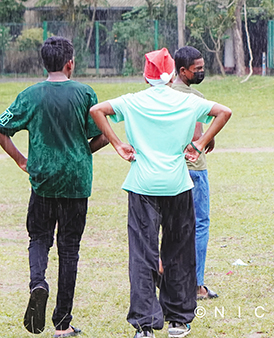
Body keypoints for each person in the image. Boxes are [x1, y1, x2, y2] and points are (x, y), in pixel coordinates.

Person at [88, 48, 232, 338]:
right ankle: (178, 320)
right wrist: (200, 143)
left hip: (142, 186)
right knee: (178, 251)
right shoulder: (187, 100)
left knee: (143, 254)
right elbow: (223, 112)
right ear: (171, 75)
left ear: (146, 77)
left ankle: (145, 325)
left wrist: (117, 144)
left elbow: (97, 111)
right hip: (177, 184)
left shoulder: (133, 101)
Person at [0, 37, 108, 337]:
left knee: (39, 238)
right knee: (69, 250)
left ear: (44, 63)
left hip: (42, 182)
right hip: (76, 183)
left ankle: (37, 283)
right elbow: (104, 135)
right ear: (70, 63)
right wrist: (81, 153)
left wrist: (21, 160)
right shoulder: (84, 93)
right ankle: (63, 324)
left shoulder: (30, 95)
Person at [171, 46, 218, 301]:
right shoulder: (195, 98)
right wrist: (209, 138)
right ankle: (196, 285)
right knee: (199, 224)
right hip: (194, 170)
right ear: (183, 71)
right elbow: (198, 136)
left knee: (175, 227)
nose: (201, 72)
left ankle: (173, 280)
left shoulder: (164, 94)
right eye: (197, 69)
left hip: (170, 171)